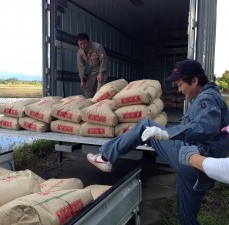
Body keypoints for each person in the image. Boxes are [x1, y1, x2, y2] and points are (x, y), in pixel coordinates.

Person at [86, 59, 229, 225]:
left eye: (180, 84)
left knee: (145, 125)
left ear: (195, 80)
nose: (179, 89)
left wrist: (169, 134)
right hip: (198, 169)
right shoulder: (207, 96)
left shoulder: (207, 98)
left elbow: (206, 127)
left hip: (193, 159)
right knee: (187, 218)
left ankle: (106, 157)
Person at [76, 33, 108, 98]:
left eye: (84, 43)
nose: (83, 46)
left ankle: (98, 105)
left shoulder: (97, 47)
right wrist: (82, 80)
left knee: (99, 89)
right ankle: (88, 104)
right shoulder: (80, 52)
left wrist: (101, 73)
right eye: (80, 44)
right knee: (87, 88)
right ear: (78, 44)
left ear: (88, 41)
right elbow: (81, 66)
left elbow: (104, 60)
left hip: (103, 68)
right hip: (93, 69)